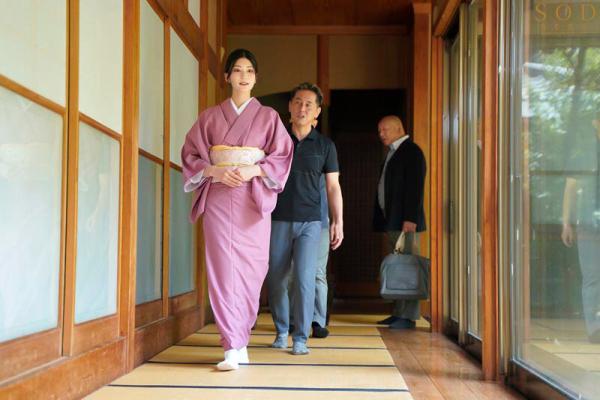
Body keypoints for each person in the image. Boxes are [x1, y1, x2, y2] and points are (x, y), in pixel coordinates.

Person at [181, 48, 293, 371]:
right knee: (222, 268)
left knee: (253, 268)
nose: (244, 76)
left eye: (249, 71)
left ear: (256, 78)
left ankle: (241, 339)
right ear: (227, 76)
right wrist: (214, 172)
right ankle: (231, 345)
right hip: (219, 197)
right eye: (238, 70)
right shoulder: (209, 117)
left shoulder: (269, 117)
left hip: (252, 199)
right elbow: (190, 155)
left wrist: (253, 170)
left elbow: (282, 156)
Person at [267, 82, 343, 355]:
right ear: (289, 106)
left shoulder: (325, 146)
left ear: (317, 112)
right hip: (277, 219)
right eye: (298, 102)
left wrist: (338, 221)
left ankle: (300, 337)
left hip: (311, 222)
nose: (302, 108)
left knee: (304, 279)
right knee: (276, 279)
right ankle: (281, 330)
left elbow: (333, 187)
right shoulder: (275, 141)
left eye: (309, 104)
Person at [373, 115, 426, 329]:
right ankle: (398, 312)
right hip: (394, 220)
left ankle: (408, 316)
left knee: (408, 267)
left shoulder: (411, 151)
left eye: (385, 129)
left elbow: (415, 188)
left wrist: (410, 218)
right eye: (379, 130)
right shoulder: (393, 152)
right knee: (398, 266)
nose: (381, 134)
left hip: (406, 222)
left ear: (398, 129)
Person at [561, 115, 600, 343]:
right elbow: (570, 187)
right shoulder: (583, 152)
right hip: (587, 224)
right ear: (595, 123)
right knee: (592, 276)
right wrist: (566, 222)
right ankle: (595, 329)